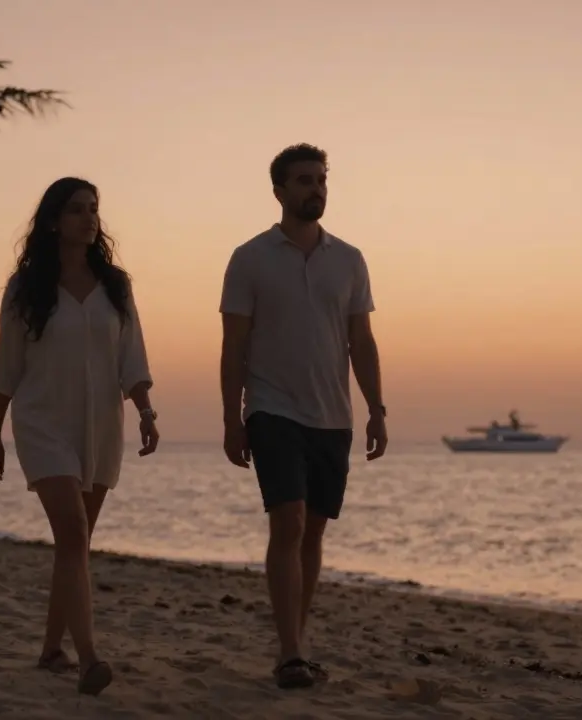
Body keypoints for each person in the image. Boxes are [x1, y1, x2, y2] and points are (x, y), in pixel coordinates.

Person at [218, 143, 388, 689]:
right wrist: (231, 418)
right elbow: (233, 346)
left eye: (321, 179)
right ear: (279, 191)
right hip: (272, 408)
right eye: (304, 180)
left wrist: (377, 410)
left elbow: (361, 341)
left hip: (332, 416)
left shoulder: (350, 259)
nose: (316, 188)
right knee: (287, 521)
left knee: (313, 531)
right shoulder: (250, 258)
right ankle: (290, 651)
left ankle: (296, 638)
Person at [0, 176, 159, 696]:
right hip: (42, 422)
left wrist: (147, 411)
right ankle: (88, 659)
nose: (89, 218)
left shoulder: (115, 286)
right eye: (78, 209)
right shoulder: (25, 289)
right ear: (55, 220)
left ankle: (49, 649)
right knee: (74, 535)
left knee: (74, 545)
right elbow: (6, 364)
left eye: (94, 209)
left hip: (102, 424)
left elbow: (133, 358)